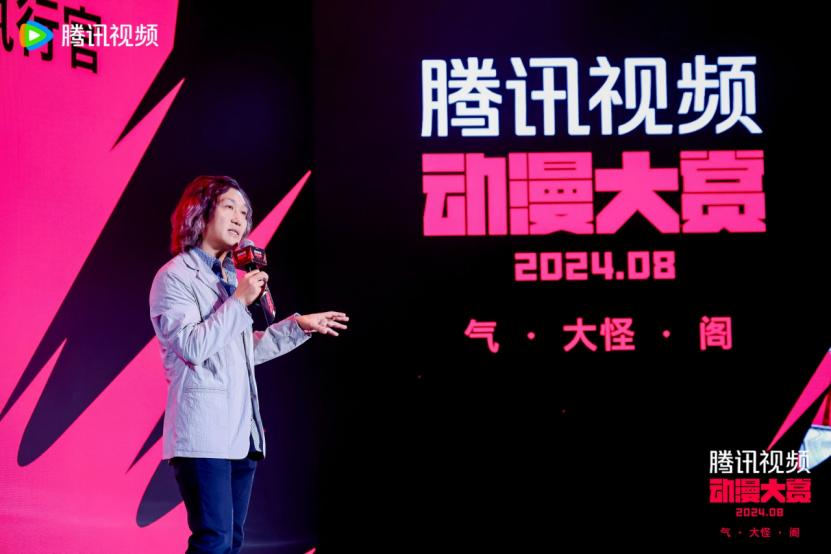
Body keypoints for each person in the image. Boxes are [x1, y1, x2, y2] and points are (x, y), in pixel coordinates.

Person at [148, 175, 348, 553]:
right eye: (230, 207)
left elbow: (242, 352)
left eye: (245, 212)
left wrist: (298, 326)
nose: (240, 218)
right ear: (200, 212)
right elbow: (193, 345)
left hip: (242, 433)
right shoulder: (175, 276)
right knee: (214, 540)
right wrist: (239, 302)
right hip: (204, 434)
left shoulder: (230, 279)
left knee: (232, 541)